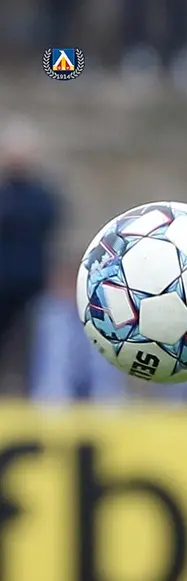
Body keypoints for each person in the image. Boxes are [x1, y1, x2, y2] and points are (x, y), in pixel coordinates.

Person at [0, 120, 61, 389]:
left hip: (32, 284)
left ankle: (32, 389)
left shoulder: (42, 197)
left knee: (34, 345)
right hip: (3, 282)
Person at [29, 264, 126, 404]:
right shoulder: (53, 315)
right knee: (56, 316)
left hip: (106, 403)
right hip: (54, 403)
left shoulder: (111, 309)